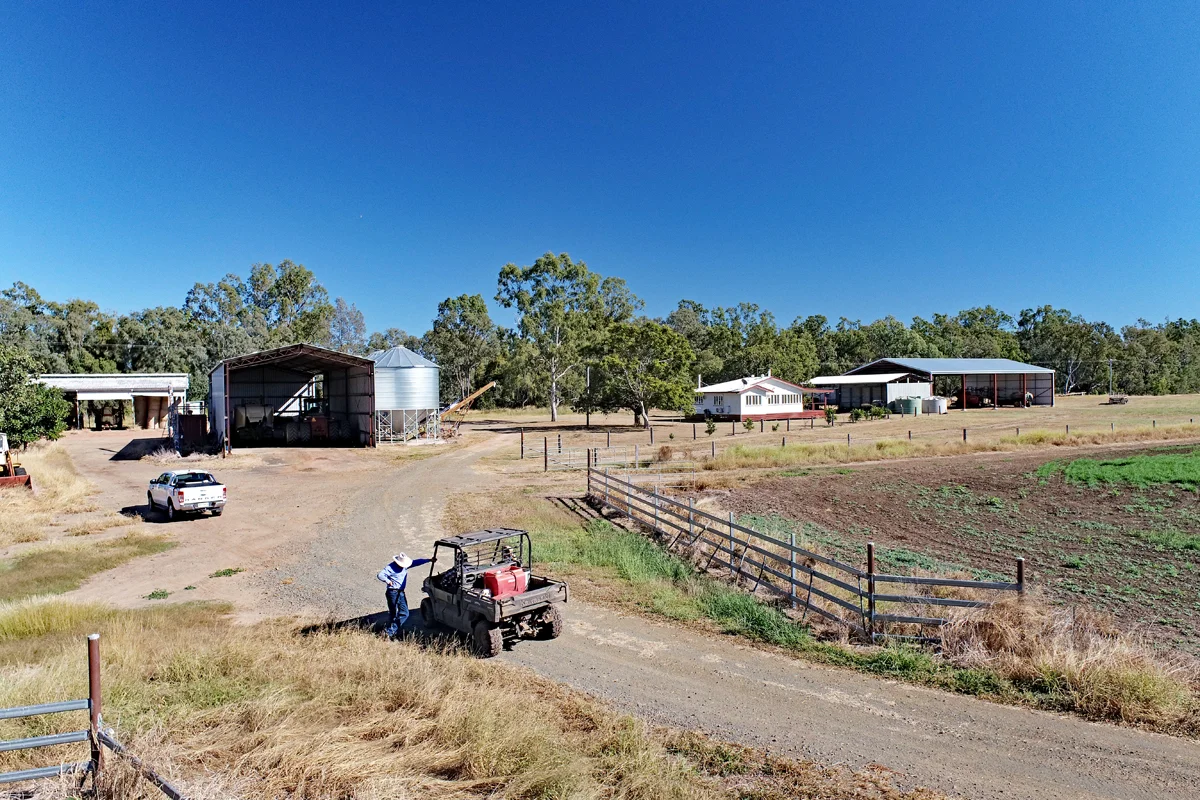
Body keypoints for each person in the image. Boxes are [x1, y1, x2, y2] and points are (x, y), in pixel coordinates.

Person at [376, 552, 431, 638]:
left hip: (400, 592)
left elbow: (416, 562)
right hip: (393, 592)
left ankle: (390, 631)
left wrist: (428, 560)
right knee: (399, 613)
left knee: (401, 613)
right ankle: (390, 632)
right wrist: (388, 581)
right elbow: (380, 575)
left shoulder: (404, 565)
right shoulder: (391, 567)